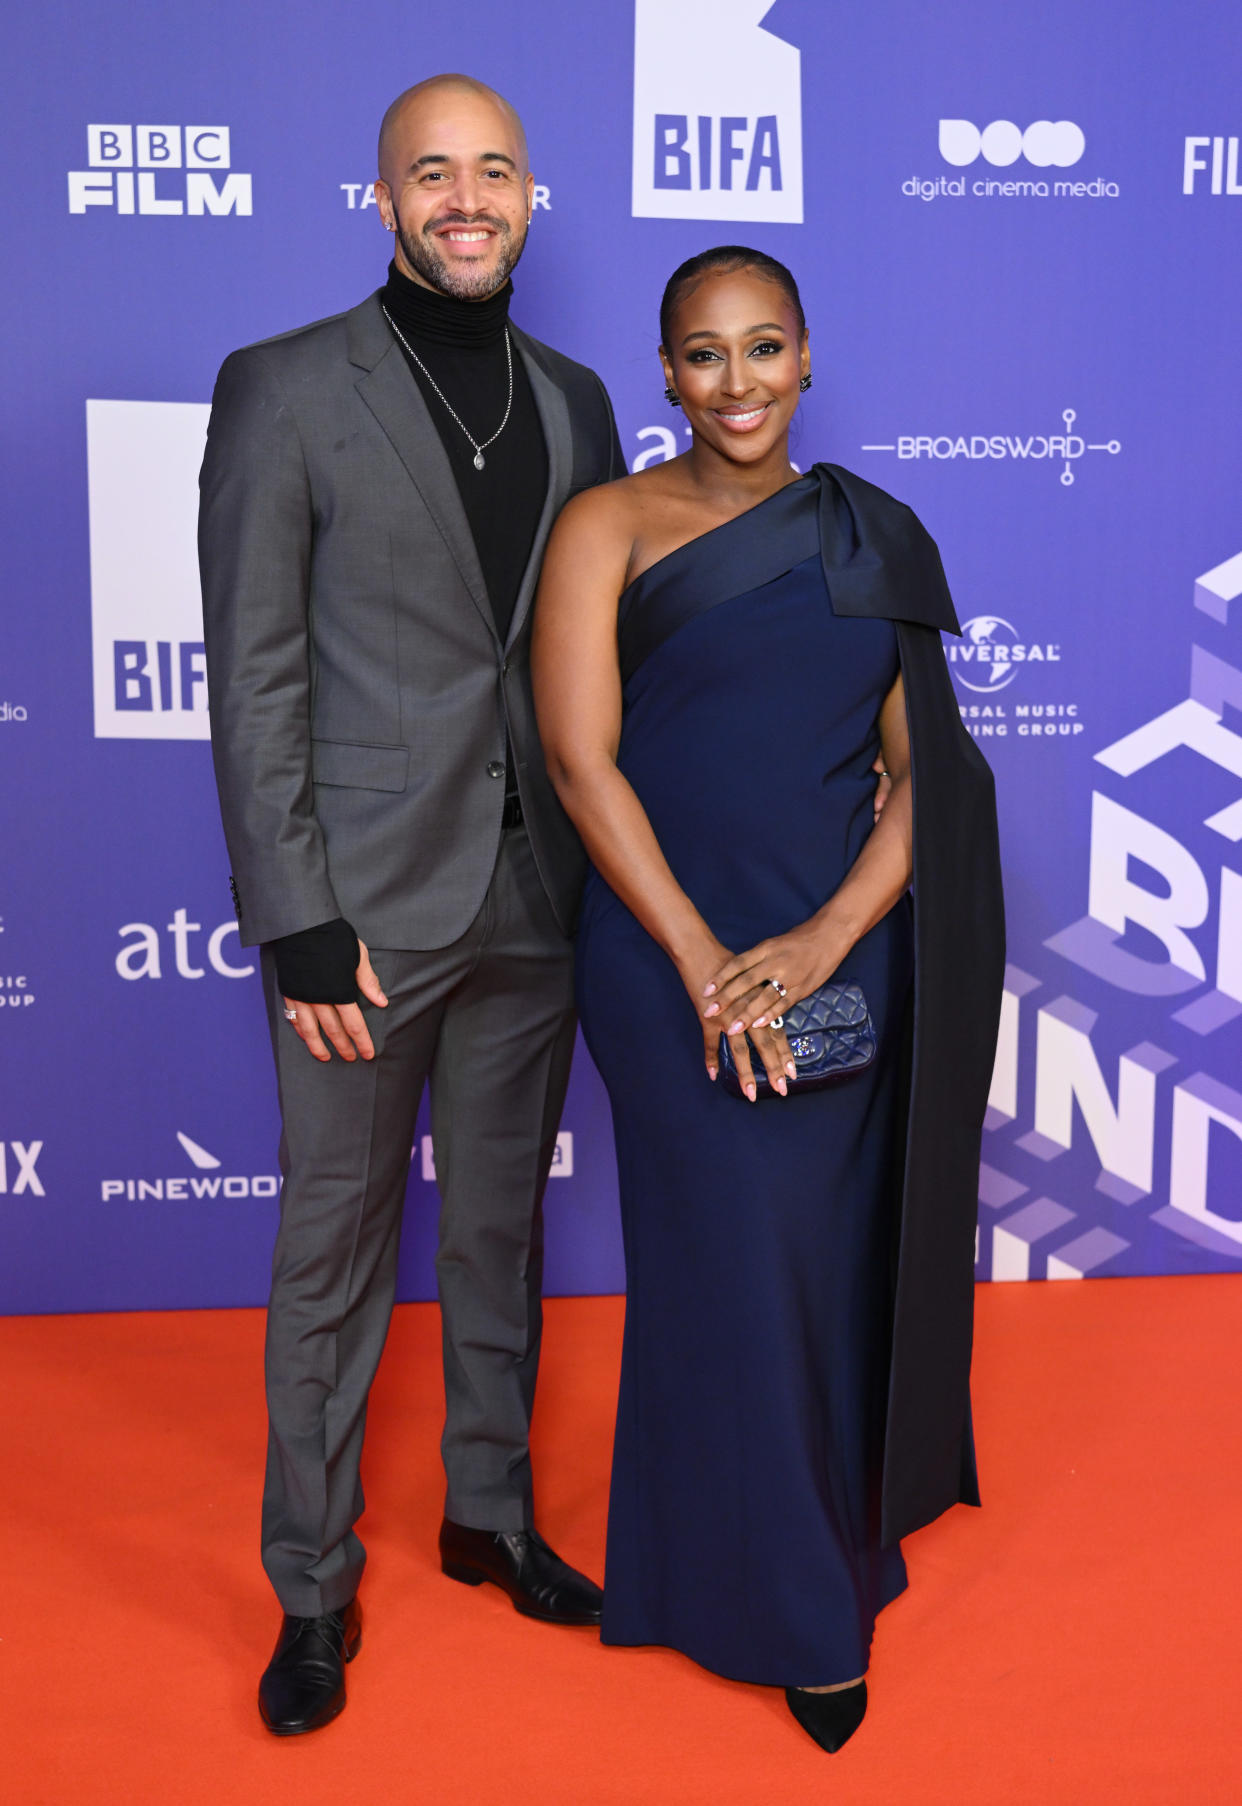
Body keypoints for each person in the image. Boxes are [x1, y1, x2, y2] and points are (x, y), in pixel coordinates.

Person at [532, 247, 1004, 1753]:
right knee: (727, 1265)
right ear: (663, 371)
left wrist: (820, 937)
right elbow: (578, 762)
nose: (736, 382)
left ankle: (821, 1543)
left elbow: (932, 771)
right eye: (702, 354)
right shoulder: (605, 524)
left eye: (764, 347)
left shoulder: (875, 534)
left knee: (818, 1266)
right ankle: (803, 1612)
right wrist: (694, 957)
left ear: (807, 358)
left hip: (833, 956)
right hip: (664, 955)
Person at [198, 74, 623, 1736]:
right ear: (379, 199)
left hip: (537, 891)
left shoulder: (578, 399)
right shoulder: (287, 388)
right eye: (431, 173)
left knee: (503, 1226)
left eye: (495, 171)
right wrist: (291, 913)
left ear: (532, 198)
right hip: (361, 913)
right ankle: (310, 1584)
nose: (467, 198)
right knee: (334, 1252)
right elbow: (256, 672)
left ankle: (487, 1510)